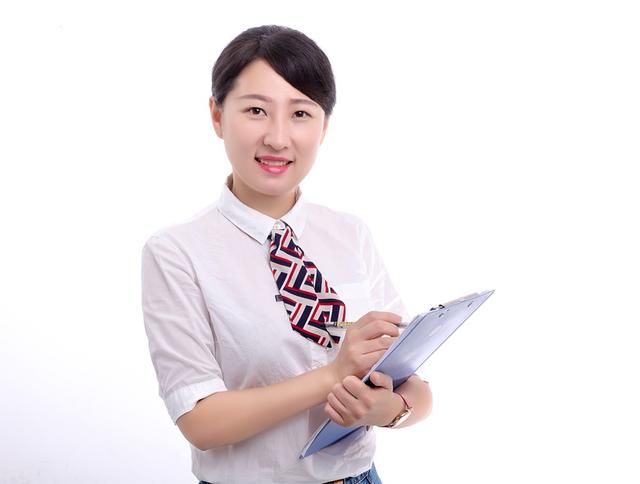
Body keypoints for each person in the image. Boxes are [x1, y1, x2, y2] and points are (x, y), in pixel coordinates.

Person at [141, 25, 433, 484]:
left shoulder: (350, 233)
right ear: (217, 115)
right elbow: (200, 422)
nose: (278, 139)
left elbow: (413, 382)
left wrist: (389, 409)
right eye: (256, 110)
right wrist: (333, 375)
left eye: (300, 113)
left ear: (323, 126)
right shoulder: (177, 253)